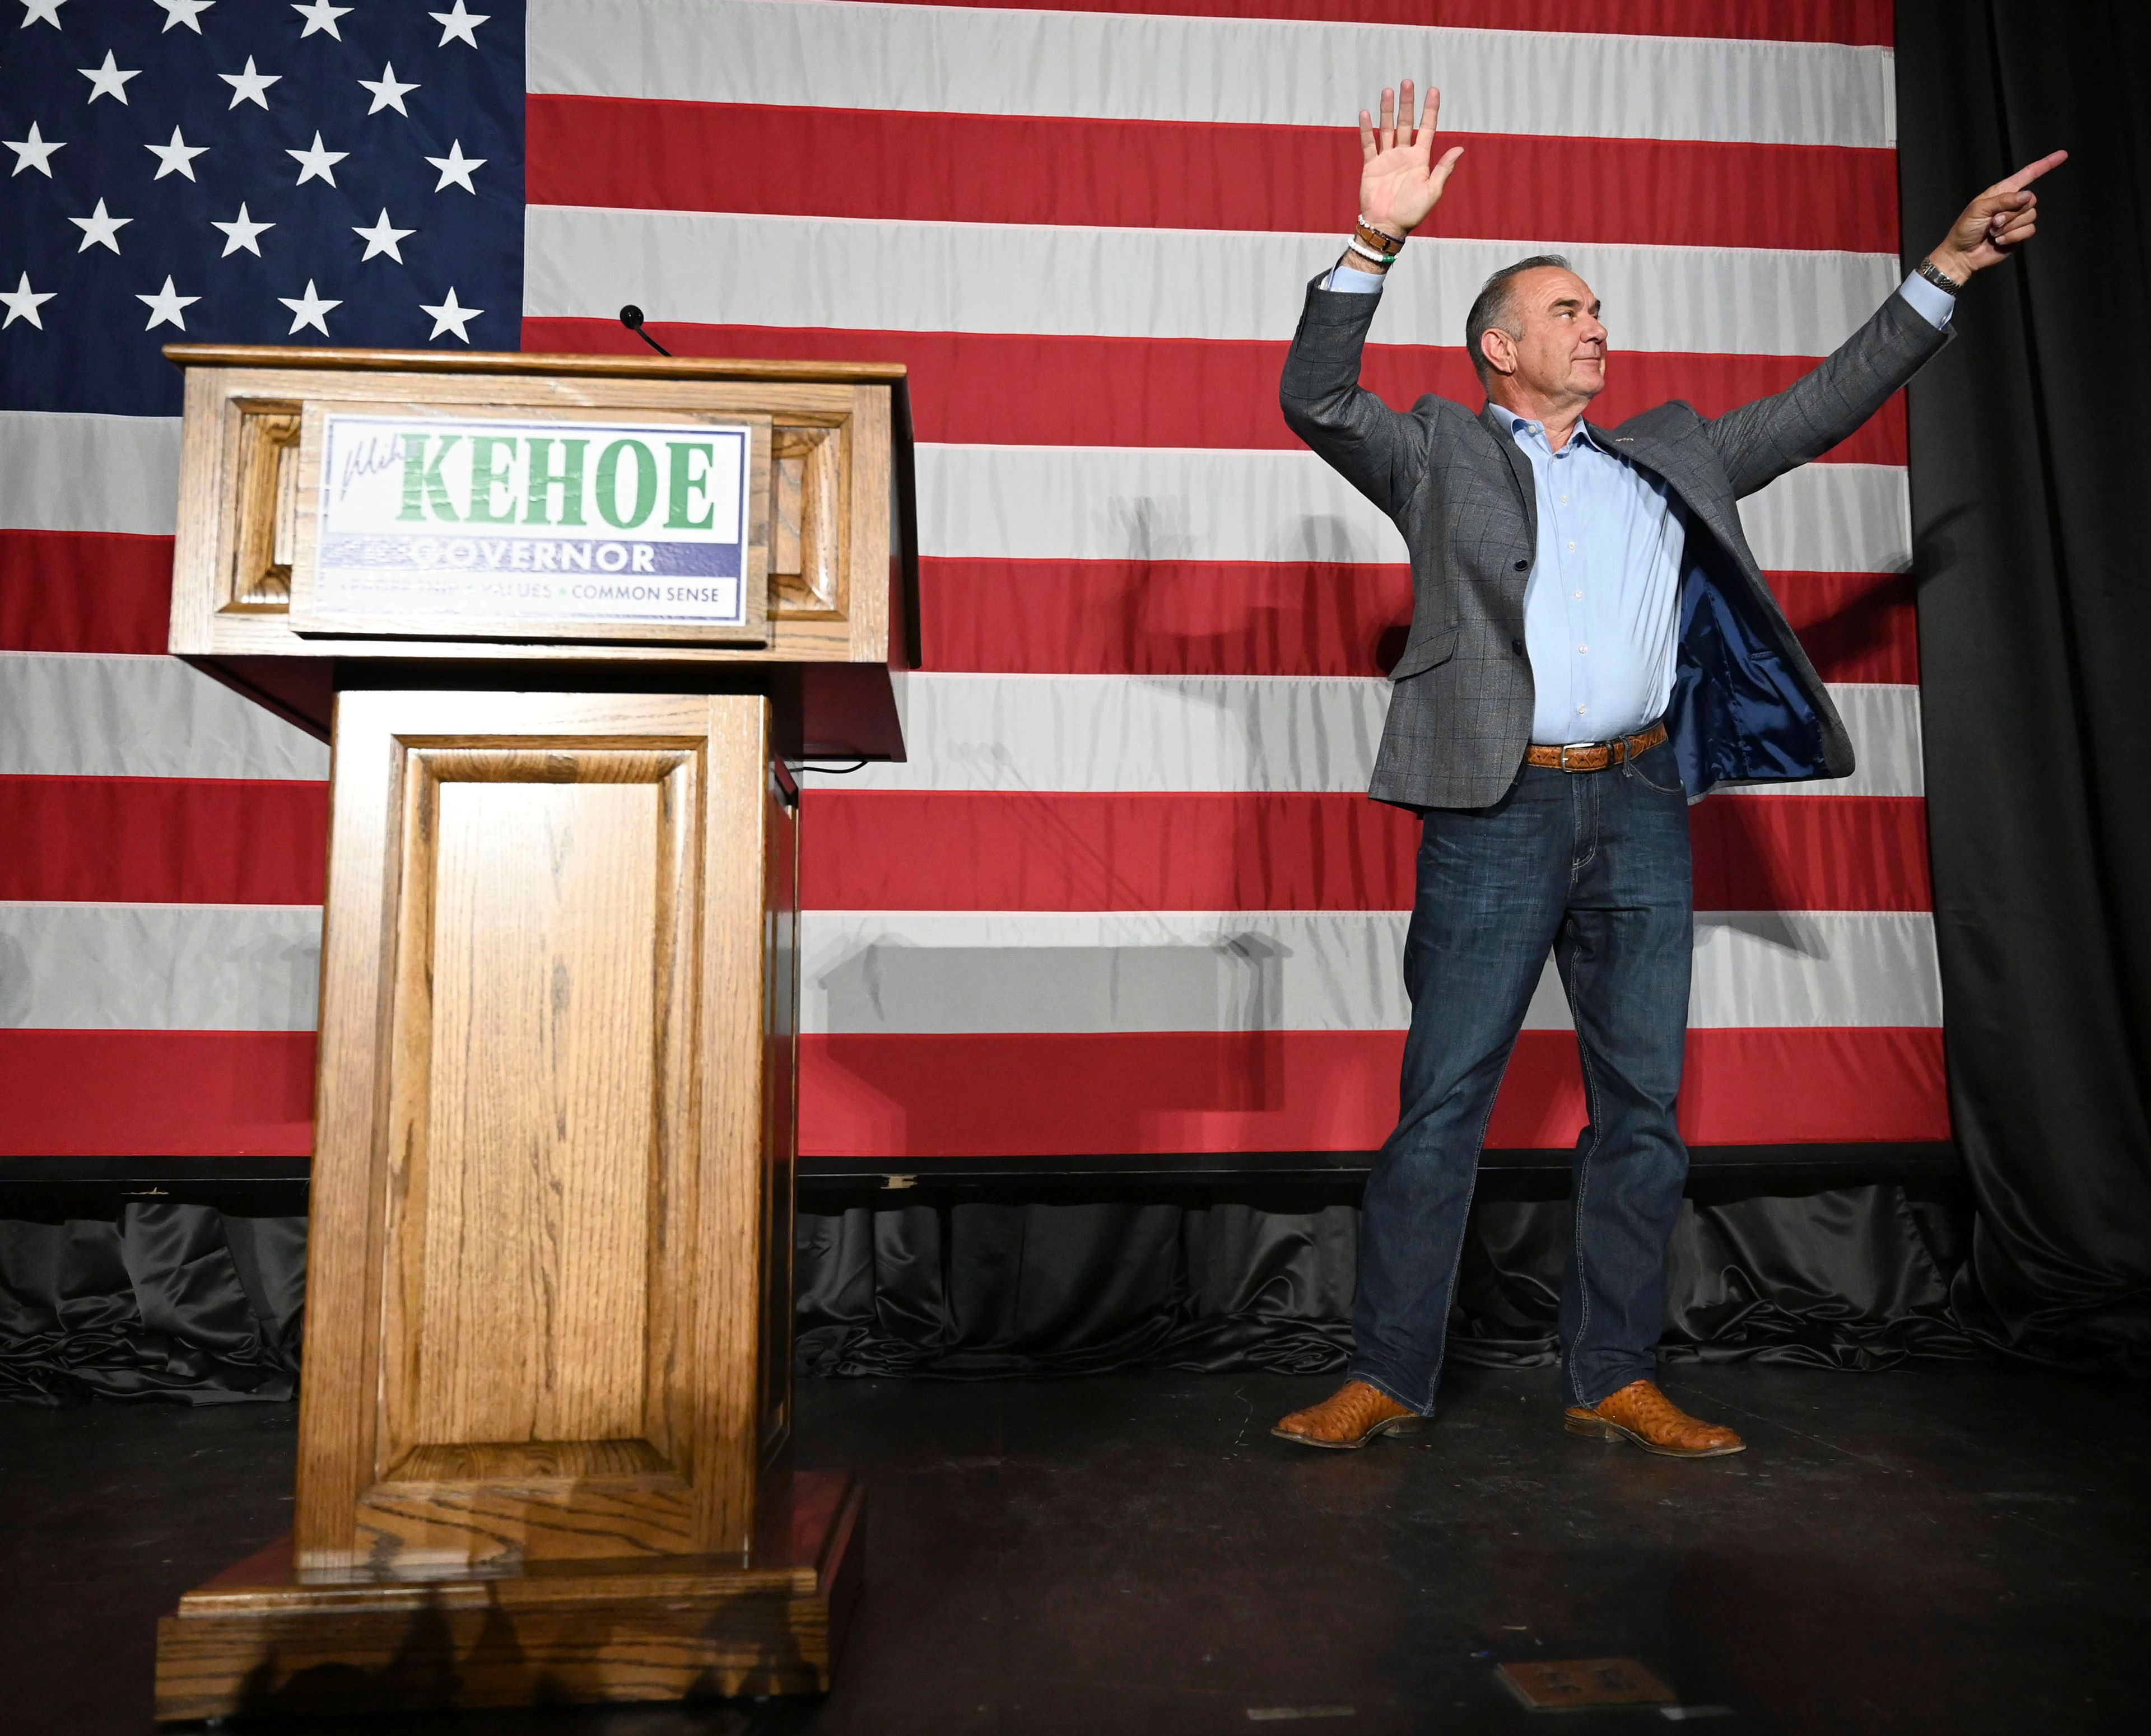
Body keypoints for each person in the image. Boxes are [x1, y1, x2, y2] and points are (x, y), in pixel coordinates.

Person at [1273, 80, 2063, 1457]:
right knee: (1444, 1095)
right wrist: (1372, 241)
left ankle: (1615, 1372)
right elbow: (1315, 396)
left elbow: (1824, 403)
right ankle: (1388, 1373)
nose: (1598, 326)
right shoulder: (1441, 453)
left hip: (1639, 804)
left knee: (1641, 1105)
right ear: (1500, 347)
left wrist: (1945, 268)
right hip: (1498, 805)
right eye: (1569, 310)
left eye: (1598, 308)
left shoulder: (1672, 454)